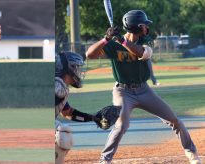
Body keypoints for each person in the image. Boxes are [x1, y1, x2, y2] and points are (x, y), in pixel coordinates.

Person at [86, 10, 201, 164]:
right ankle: (105, 160)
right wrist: (105, 39)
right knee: (121, 125)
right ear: (138, 26)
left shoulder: (146, 40)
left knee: (175, 120)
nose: (147, 27)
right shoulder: (113, 44)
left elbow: (142, 53)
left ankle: (191, 152)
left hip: (144, 90)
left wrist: (122, 41)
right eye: (145, 24)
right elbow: (89, 55)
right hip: (123, 91)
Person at [55, 51, 106, 164]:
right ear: (70, 68)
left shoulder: (61, 86)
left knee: (63, 131)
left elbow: (68, 113)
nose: (80, 71)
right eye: (77, 67)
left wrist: (93, 118)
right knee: (63, 132)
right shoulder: (57, 85)